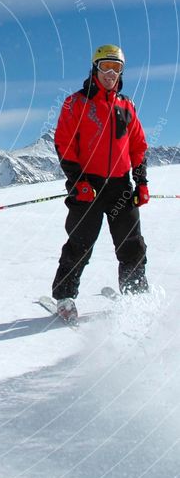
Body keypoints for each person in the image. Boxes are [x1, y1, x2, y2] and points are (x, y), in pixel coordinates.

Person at [52, 44, 149, 321]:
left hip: (120, 185)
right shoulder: (76, 103)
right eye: (105, 66)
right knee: (80, 243)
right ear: (95, 68)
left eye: (116, 68)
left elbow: (138, 146)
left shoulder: (126, 105)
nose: (110, 73)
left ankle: (136, 294)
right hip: (88, 187)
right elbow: (64, 143)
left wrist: (140, 182)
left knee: (132, 243)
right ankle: (65, 297)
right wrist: (78, 180)